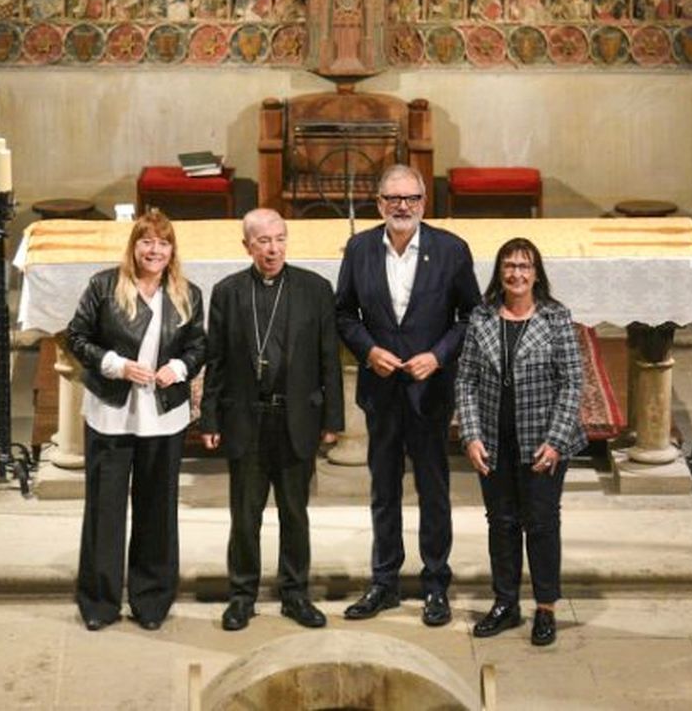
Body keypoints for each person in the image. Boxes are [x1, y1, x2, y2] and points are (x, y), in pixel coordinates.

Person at [336, 164, 480, 627]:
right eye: (393, 199)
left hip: (430, 390)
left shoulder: (451, 250)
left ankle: (436, 583)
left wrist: (437, 357)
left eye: (411, 199)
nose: (402, 207)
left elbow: (470, 317)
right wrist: (368, 349)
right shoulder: (359, 248)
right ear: (379, 203)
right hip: (381, 389)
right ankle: (384, 582)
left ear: (423, 202)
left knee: (433, 489)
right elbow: (343, 314)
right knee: (383, 489)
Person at [200, 209, 344, 631]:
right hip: (246, 417)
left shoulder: (315, 289)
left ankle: (295, 594)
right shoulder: (227, 293)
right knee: (245, 516)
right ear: (247, 246)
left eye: (279, 239)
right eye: (263, 241)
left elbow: (327, 360)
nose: (273, 248)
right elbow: (217, 362)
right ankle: (242, 595)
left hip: (297, 417)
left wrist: (332, 417)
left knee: (294, 513)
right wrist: (210, 419)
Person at [65, 209, 206, 632]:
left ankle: (152, 599)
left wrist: (178, 369)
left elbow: (199, 344)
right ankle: (99, 601)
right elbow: (76, 338)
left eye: (163, 243)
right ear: (134, 246)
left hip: (163, 418)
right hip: (112, 413)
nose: (155, 250)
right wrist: (116, 365)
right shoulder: (105, 286)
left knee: (158, 511)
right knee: (105, 511)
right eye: (147, 242)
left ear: (172, 251)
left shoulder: (187, 293)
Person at [455, 238, 584, 647]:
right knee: (502, 523)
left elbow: (572, 382)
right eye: (509, 266)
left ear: (536, 273)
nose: (516, 274)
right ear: (499, 272)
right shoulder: (482, 317)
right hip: (495, 441)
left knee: (542, 524)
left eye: (524, 266)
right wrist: (471, 435)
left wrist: (556, 441)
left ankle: (545, 607)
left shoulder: (555, 318)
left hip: (541, 442)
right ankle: (505, 603)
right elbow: (466, 380)